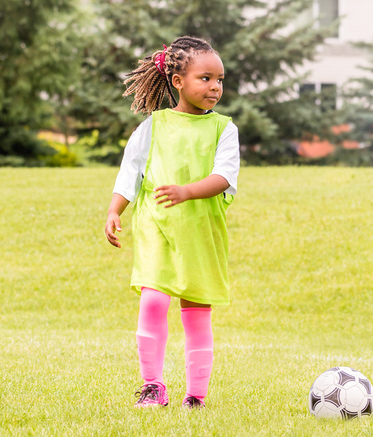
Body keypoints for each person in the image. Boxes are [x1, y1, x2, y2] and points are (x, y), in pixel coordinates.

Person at [104, 36, 240, 410]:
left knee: (196, 312)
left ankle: (195, 395)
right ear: (178, 81)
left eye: (220, 79)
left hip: (200, 233)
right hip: (156, 230)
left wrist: (186, 191)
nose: (215, 87)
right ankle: (153, 386)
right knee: (152, 302)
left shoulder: (224, 129)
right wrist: (116, 210)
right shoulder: (153, 126)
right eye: (206, 78)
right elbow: (129, 172)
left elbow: (225, 177)